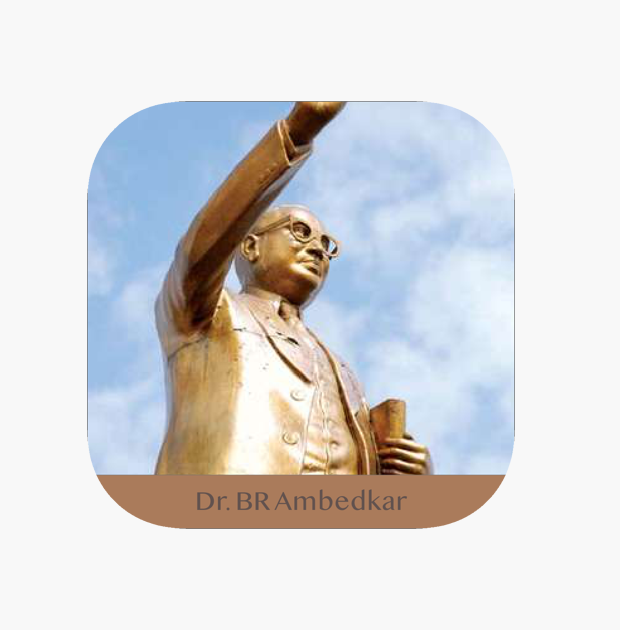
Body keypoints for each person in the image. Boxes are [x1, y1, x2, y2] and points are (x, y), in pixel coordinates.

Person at [154, 102, 432, 475]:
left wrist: (416, 475)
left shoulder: (342, 370)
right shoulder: (204, 314)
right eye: (300, 232)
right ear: (249, 246)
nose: (317, 249)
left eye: (326, 245)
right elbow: (199, 248)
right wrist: (296, 133)